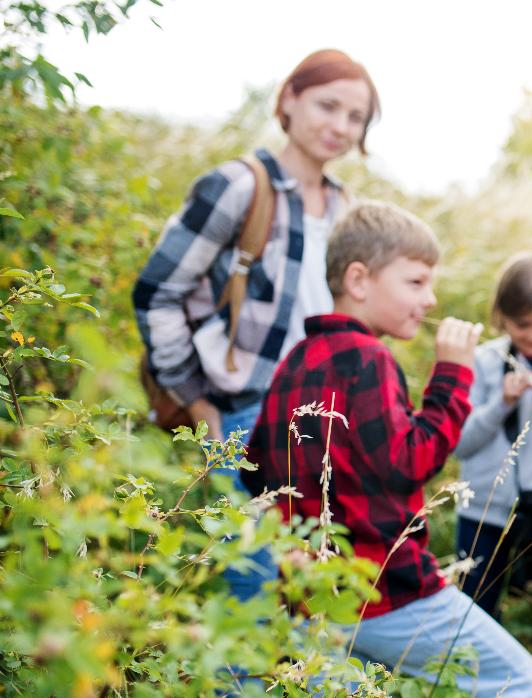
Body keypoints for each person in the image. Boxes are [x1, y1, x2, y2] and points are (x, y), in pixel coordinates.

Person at [242, 201, 532, 695]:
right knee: (517, 679)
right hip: (387, 590)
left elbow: (256, 472)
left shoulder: (295, 360)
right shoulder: (369, 358)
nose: (430, 299)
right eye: (416, 282)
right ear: (359, 281)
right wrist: (452, 373)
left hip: (312, 595)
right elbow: (410, 462)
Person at [133, 49, 380, 599]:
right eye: (328, 105)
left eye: (355, 116)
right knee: (254, 586)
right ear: (290, 98)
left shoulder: (346, 207)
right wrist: (197, 401)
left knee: (315, 589)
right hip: (246, 413)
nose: (340, 126)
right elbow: (157, 293)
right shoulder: (240, 185)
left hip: (323, 421)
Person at [454, 252, 532, 617]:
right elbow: (461, 444)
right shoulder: (483, 362)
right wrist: (500, 404)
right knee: (473, 609)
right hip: (484, 513)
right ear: (502, 318)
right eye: (523, 325)